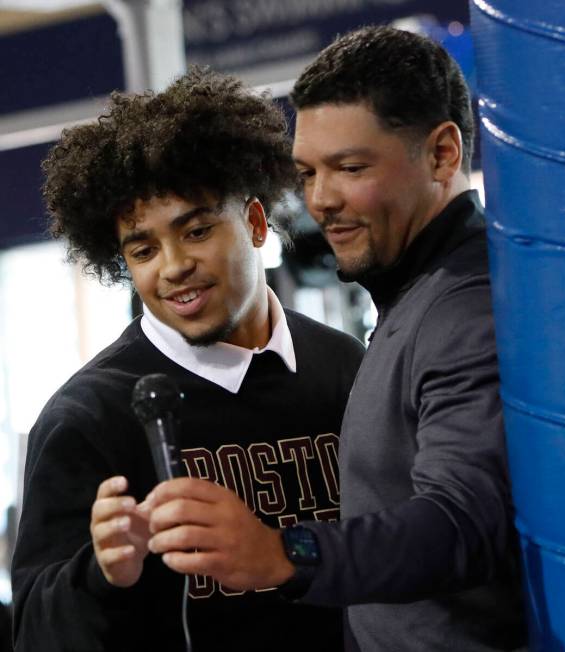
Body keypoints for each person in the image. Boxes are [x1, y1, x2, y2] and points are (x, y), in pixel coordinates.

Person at [142, 25, 529, 651]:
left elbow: (464, 522)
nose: (321, 200)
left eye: (349, 168)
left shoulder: (465, 310)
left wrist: (283, 551)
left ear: (442, 155)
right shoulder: (414, 298)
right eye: (307, 173)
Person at [10, 68, 365, 652]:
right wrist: (103, 575)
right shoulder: (90, 416)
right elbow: (35, 633)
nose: (172, 267)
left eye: (196, 231)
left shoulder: (343, 366)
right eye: (144, 249)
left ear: (254, 223)